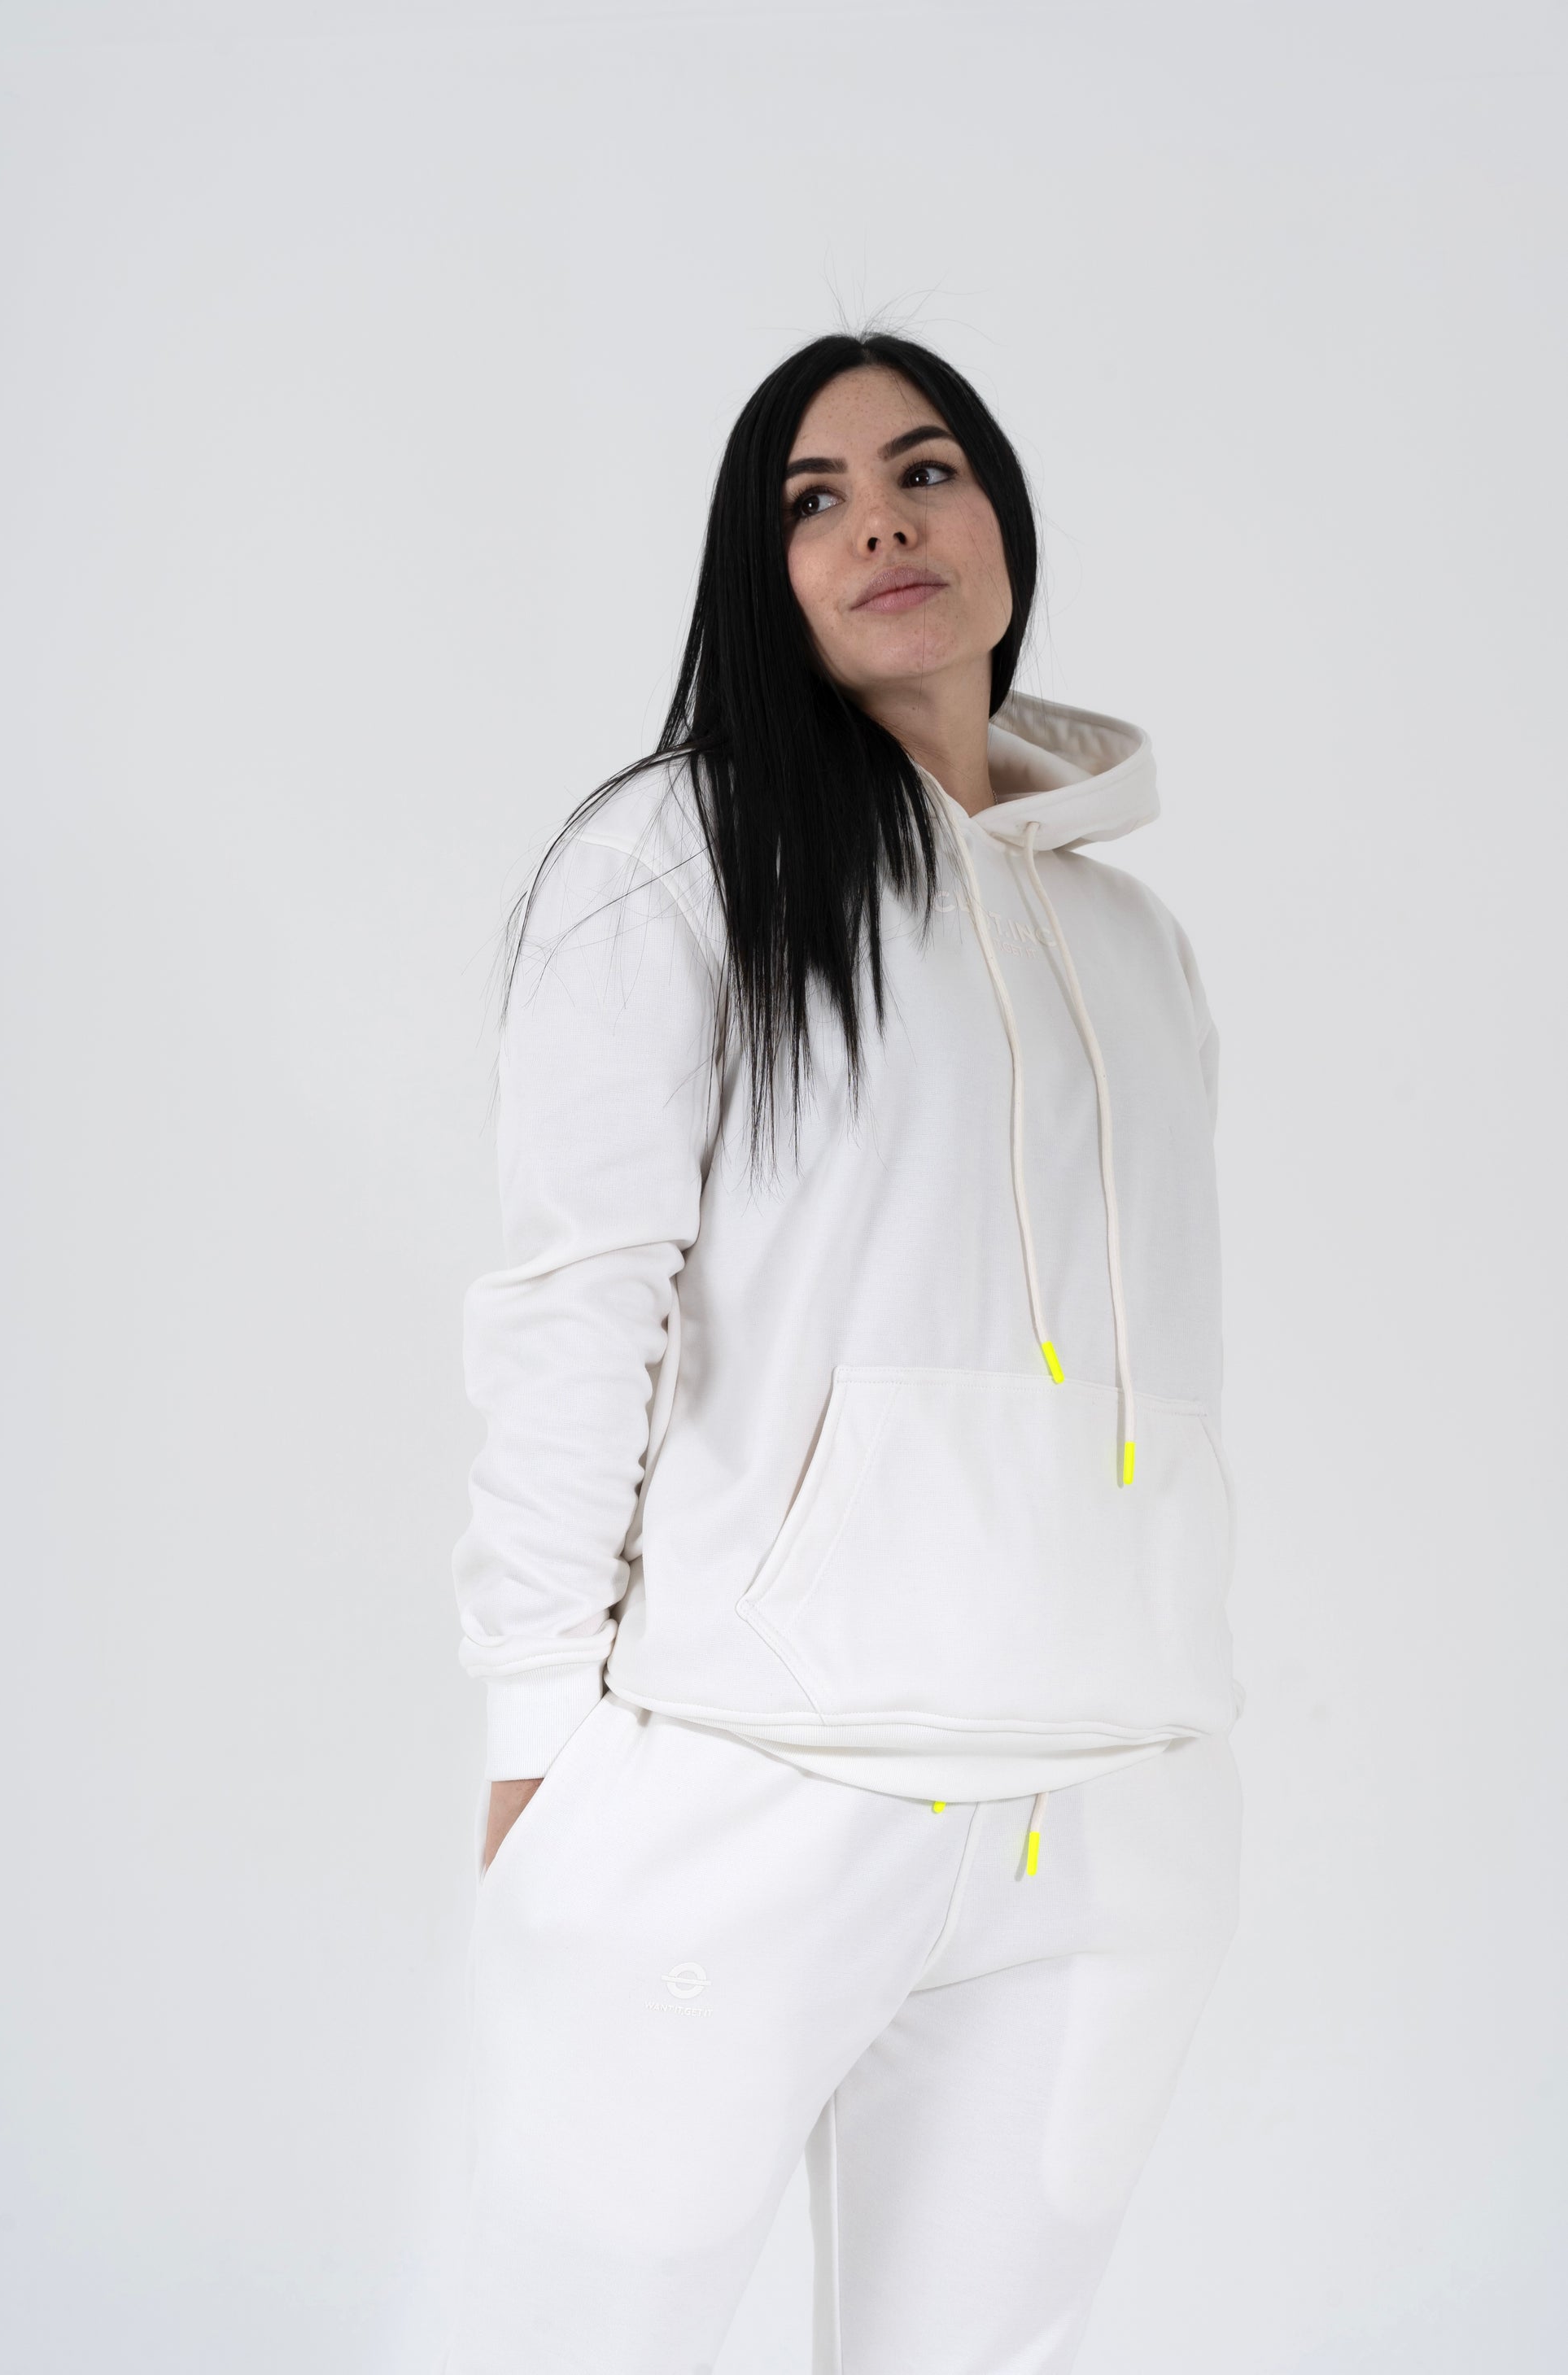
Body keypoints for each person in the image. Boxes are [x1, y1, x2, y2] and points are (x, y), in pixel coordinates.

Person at [441, 331, 1244, 2375]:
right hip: (747, 1776)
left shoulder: (1135, 942)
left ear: (1002, 522)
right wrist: (538, 1734)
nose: (881, 519)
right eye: (814, 498)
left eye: (925, 468)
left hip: (1096, 1807)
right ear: (764, 569)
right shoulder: (677, 855)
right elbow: (576, 1297)